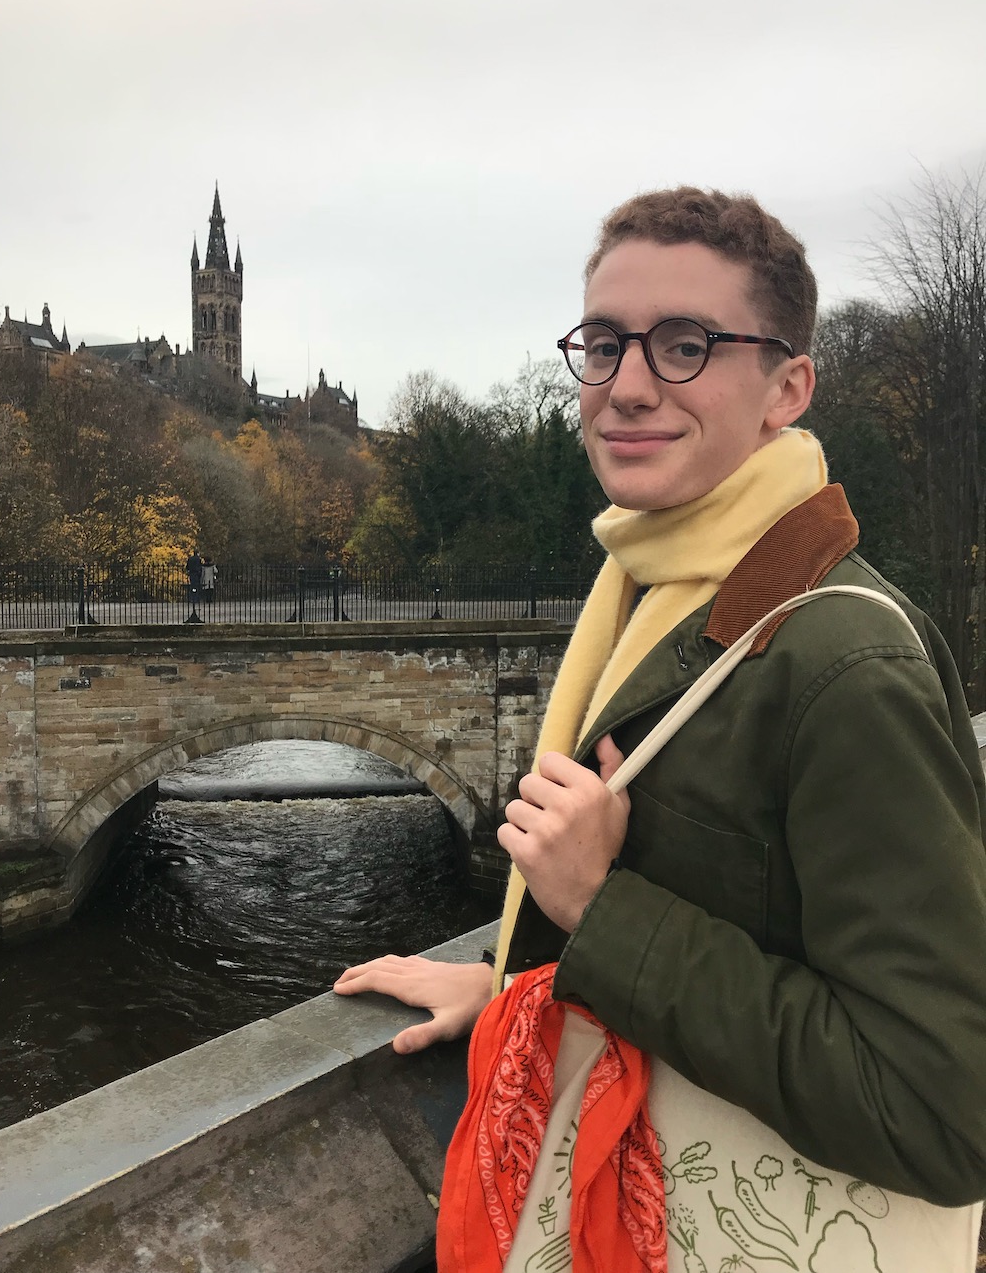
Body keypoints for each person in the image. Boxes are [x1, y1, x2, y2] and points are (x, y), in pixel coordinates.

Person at [335, 188, 986, 1269]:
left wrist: (597, 909)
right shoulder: (652, 588)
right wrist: (514, 982)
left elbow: (942, 1107)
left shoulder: (842, 669)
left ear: (787, 388)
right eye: (603, 344)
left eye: (685, 345)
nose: (627, 386)